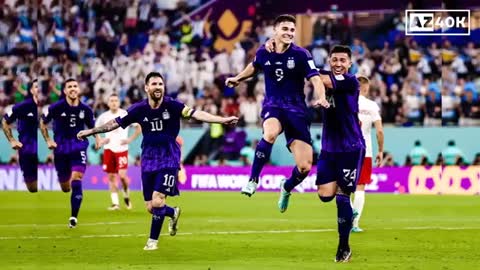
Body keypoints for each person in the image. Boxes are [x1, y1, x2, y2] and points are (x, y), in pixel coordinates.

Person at [77, 72, 238, 251]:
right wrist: (91, 131)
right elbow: (114, 123)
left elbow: (196, 114)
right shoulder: (138, 109)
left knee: (158, 200)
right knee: (150, 207)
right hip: (148, 158)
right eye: (154, 84)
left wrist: (222, 120)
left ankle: (152, 241)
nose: (158, 87)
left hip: (169, 157)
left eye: (160, 84)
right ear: (146, 88)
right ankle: (173, 212)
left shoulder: (173, 105)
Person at [225, 14, 328, 214]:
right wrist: (238, 78)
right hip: (274, 104)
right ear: (275, 31)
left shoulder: (301, 54)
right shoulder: (265, 51)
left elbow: (315, 79)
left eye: (292, 30)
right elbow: (254, 67)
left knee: (305, 167)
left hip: (297, 110)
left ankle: (287, 187)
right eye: (285, 29)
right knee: (270, 133)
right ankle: (253, 180)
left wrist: (321, 96)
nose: (289, 33)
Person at [315, 45, 366, 262]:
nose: (338, 64)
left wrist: (307, 71)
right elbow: (314, 78)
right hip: (328, 147)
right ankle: (346, 211)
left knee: (342, 196)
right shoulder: (322, 76)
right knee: (324, 195)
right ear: (329, 61)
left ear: (350, 63)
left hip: (350, 146)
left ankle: (344, 247)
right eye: (334, 60)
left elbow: (320, 80)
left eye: (342, 60)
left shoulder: (351, 80)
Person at [40, 78, 99, 228]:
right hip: (60, 148)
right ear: (65, 91)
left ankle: (73, 217)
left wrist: (98, 139)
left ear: (78, 90)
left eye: (75, 86)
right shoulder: (56, 107)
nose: (73, 89)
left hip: (79, 146)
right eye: (69, 87)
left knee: (77, 177)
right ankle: (67, 187)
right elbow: (43, 122)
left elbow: (92, 127)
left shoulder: (86, 109)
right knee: (66, 187)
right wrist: (48, 140)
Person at [95, 93, 142, 210]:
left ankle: (126, 194)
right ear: (108, 103)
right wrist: (100, 139)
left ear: (119, 102)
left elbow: (139, 126)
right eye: (111, 101)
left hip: (121, 149)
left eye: (116, 100)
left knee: (122, 176)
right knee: (111, 176)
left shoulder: (125, 114)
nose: (114, 103)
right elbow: (95, 129)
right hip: (109, 149)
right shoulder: (104, 116)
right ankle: (115, 203)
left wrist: (130, 139)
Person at [351, 76, 384, 233]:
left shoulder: (345, 102)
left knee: (341, 187)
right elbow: (379, 130)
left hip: (345, 149)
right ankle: (355, 223)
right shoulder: (371, 105)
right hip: (365, 151)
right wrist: (381, 150)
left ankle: (348, 216)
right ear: (365, 88)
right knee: (360, 186)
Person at [2, 79, 39, 192]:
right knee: (32, 188)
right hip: (27, 151)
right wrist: (12, 140)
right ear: (32, 90)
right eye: (37, 87)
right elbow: (5, 121)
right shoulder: (22, 106)